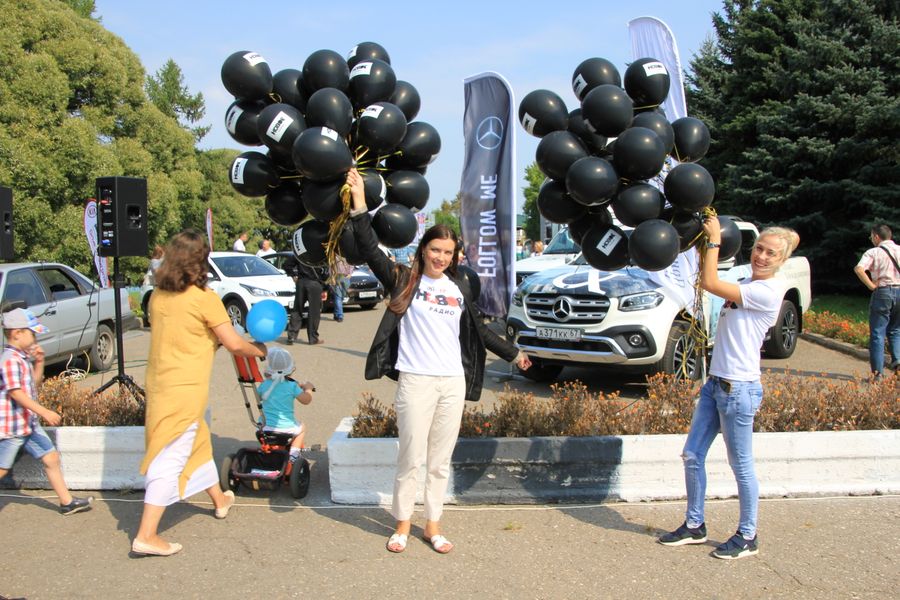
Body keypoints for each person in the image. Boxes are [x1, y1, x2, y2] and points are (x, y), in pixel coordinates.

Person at [346, 169, 532, 555]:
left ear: (455, 257)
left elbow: (480, 331)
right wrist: (360, 202)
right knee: (410, 456)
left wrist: (514, 353)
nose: (441, 258)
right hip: (416, 380)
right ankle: (401, 525)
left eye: (448, 253)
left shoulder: (459, 285)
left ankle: (432, 525)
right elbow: (367, 247)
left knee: (439, 460)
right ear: (423, 249)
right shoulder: (403, 279)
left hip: (452, 381)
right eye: (435, 251)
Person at [658, 219, 799, 560]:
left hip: (740, 389)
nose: (762, 257)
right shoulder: (746, 281)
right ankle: (695, 525)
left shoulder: (767, 292)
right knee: (692, 454)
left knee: (742, 466)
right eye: (760, 249)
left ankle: (748, 535)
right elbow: (703, 283)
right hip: (715, 386)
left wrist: (715, 240)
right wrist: (699, 243)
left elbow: (709, 281)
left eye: (771, 253)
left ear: (782, 260)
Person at [133, 230, 266, 557]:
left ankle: (220, 500)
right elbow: (234, 342)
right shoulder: (204, 298)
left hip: (161, 383)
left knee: (197, 442)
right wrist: (259, 350)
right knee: (170, 456)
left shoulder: (159, 297)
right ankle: (147, 534)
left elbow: (187, 336)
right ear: (200, 261)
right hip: (185, 389)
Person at [0, 308, 94, 515]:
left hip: (27, 424)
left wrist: (39, 363)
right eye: (32, 333)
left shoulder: (22, 359)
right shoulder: (9, 360)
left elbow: (31, 386)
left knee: (51, 457)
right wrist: (45, 412)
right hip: (13, 427)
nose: (35, 338)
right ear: (17, 334)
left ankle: (67, 502)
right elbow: (17, 394)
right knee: (2, 468)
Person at [853, 223, 900, 378]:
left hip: (883, 293)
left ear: (876, 236)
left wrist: (872, 286)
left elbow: (859, 269)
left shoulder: (873, 252)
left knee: (878, 333)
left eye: (871, 236)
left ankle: (878, 374)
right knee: (895, 330)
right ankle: (898, 362)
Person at [258, 347, 315, 462]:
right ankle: (293, 455)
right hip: (286, 429)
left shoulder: (263, 385)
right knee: (302, 428)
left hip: (264, 427)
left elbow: (261, 396)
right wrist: (308, 389)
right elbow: (306, 400)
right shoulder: (292, 386)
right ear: (290, 369)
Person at [282, 254, 328, 345]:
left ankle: (291, 336)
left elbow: (286, 264)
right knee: (314, 312)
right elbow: (326, 271)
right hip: (314, 283)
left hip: (301, 282)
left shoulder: (300, 253)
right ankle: (313, 338)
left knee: (297, 309)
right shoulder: (320, 253)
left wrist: (293, 275)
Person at [330, 256, 354, 323]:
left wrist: (350, 274)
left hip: (346, 278)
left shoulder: (347, 254)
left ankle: (336, 314)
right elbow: (331, 266)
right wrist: (332, 277)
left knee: (342, 297)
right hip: (337, 276)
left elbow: (352, 264)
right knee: (338, 297)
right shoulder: (334, 255)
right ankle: (340, 316)